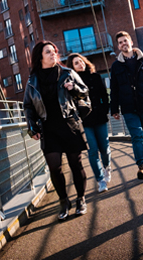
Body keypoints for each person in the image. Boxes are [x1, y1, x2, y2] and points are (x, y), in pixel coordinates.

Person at [24, 41, 89, 220]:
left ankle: (81, 199)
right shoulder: (32, 80)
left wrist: (73, 88)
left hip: (69, 125)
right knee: (54, 167)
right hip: (48, 128)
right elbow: (28, 106)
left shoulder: (67, 73)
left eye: (54, 52)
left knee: (76, 164)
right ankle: (63, 201)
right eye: (48, 52)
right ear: (40, 57)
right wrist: (32, 127)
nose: (53, 55)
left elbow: (84, 92)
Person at [110, 31, 143, 179]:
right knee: (137, 135)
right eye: (120, 42)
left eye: (125, 41)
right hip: (128, 107)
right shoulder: (116, 66)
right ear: (118, 46)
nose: (123, 44)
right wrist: (114, 108)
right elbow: (114, 89)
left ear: (131, 42)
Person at [67, 53, 112, 193]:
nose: (80, 64)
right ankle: (100, 181)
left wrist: (105, 109)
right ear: (72, 67)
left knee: (104, 148)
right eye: (76, 63)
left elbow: (104, 96)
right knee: (92, 151)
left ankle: (107, 166)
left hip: (99, 117)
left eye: (81, 61)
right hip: (84, 121)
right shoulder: (71, 84)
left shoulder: (96, 77)